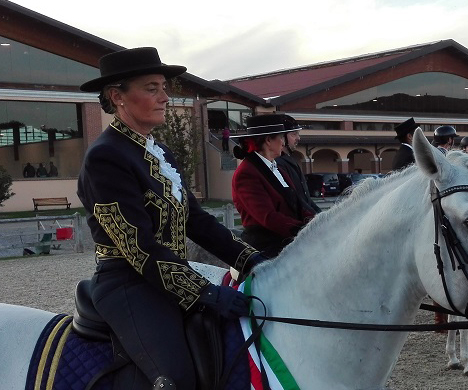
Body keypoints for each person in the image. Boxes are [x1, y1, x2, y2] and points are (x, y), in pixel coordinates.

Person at [77, 47, 263, 389]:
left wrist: (251, 259)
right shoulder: (105, 157)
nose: (165, 97)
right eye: (152, 88)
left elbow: (195, 219)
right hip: (128, 284)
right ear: (118, 96)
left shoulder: (158, 151)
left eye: (164, 87)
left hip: (169, 277)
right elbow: (140, 249)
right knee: (177, 378)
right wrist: (206, 293)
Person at [232, 114, 316, 258]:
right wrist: (304, 230)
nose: (283, 143)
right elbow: (268, 217)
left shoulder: (278, 169)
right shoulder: (246, 173)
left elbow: (299, 204)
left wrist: (320, 222)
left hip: (290, 241)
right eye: (281, 138)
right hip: (265, 247)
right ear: (269, 140)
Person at [277, 115, 321, 215]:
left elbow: (305, 199)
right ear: (282, 138)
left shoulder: (289, 160)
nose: (298, 138)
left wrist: (320, 215)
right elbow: (293, 199)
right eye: (294, 134)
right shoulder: (278, 164)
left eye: (298, 134)